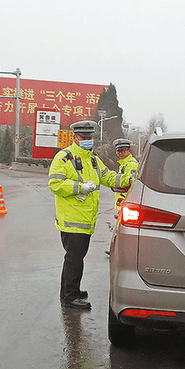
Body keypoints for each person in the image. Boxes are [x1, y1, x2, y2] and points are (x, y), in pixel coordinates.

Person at [48, 120, 131, 309]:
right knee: (74, 258)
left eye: (90, 137)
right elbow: (54, 183)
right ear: (75, 137)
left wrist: (128, 180)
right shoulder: (64, 158)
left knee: (76, 257)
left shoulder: (92, 159)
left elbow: (107, 176)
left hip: (85, 219)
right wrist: (80, 188)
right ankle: (70, 297)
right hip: (72, 219)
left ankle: (71, 291)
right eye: (84, 137)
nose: (87, 140)